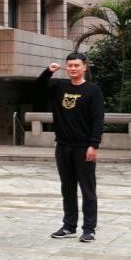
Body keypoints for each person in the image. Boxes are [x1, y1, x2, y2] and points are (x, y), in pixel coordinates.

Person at [36, 52, 105, 242]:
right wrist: (47, 72)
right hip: (63, 146)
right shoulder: (59, 87)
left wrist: (93, 145)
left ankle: (89, 229)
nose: (73, 68)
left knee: (87, 189)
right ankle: (69, 226)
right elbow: (37, 90)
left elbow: (98, 120)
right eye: (70, 65)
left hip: (83, 147)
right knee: (67, 189)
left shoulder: (93, 90)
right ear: (66, 67)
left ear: (84, 67)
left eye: (76, 65)